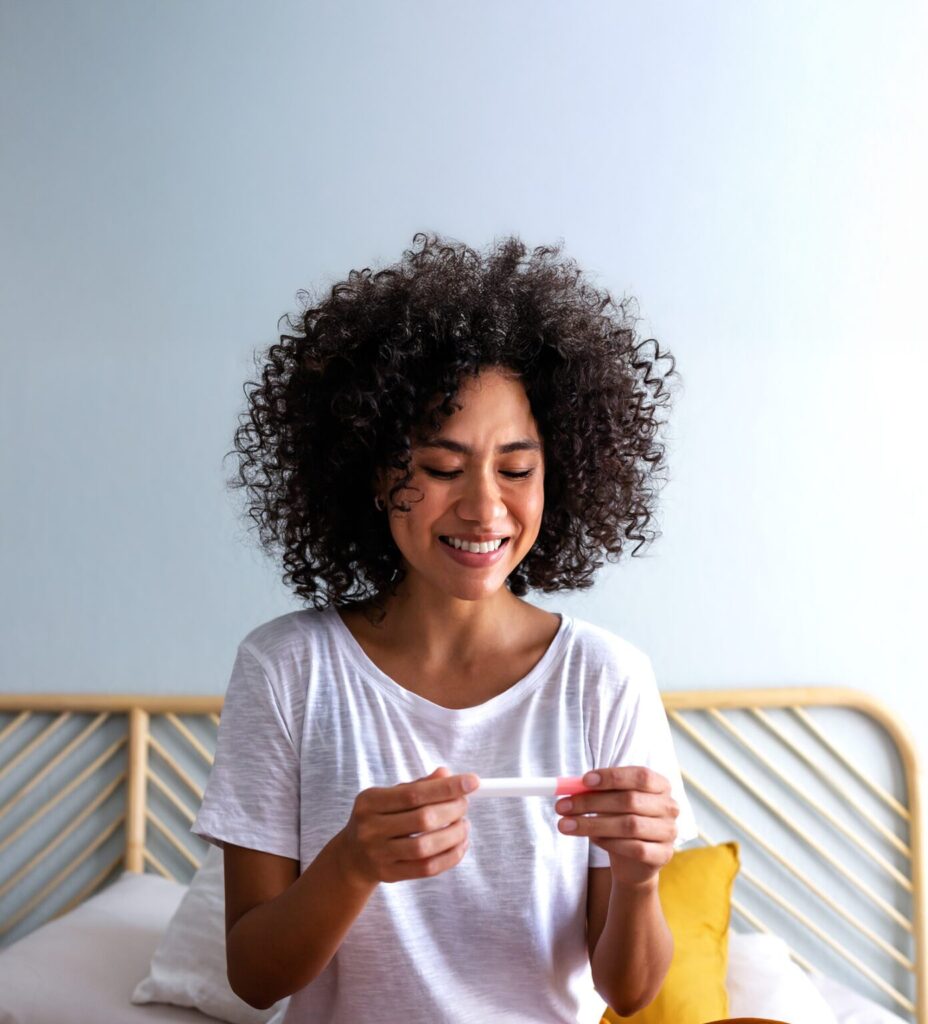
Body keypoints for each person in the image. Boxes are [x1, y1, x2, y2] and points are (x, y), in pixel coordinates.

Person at [191, 232, 699, 1023]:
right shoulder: (287, 668)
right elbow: (254, 978)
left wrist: (638, 879)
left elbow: (629, 993)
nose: (484, 508)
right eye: (441, 468)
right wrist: (351, 864)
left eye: (517, 469)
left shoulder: (605, 679)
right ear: (373, 470)